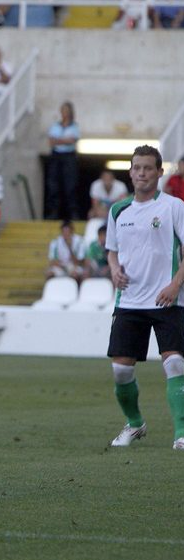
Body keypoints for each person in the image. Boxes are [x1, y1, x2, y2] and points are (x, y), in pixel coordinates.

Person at [104, 145, 184, 451]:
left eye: (148, 168)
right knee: (121, 370)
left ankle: (181, 432)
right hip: (130, 301)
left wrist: (176, 284)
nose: (142, 173)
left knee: (175, 363)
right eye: (137, 167)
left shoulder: (174, 207)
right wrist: (113, 270)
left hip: (168, 300)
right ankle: (135, 423)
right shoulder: (118, 210)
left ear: (160, 173)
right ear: (131, 172)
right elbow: (112, 250)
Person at [46, 101, 80, 220]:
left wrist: (58, 140)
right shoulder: (55, 126)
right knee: (53, 185)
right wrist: (64, 140)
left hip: (69, 156)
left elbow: (72, 140)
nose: (64, 113)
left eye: (66, 110)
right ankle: (53, 212)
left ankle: (72, 213)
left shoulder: (74, 126)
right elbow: (51, 142)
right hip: (56, 156)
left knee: (70, 185)